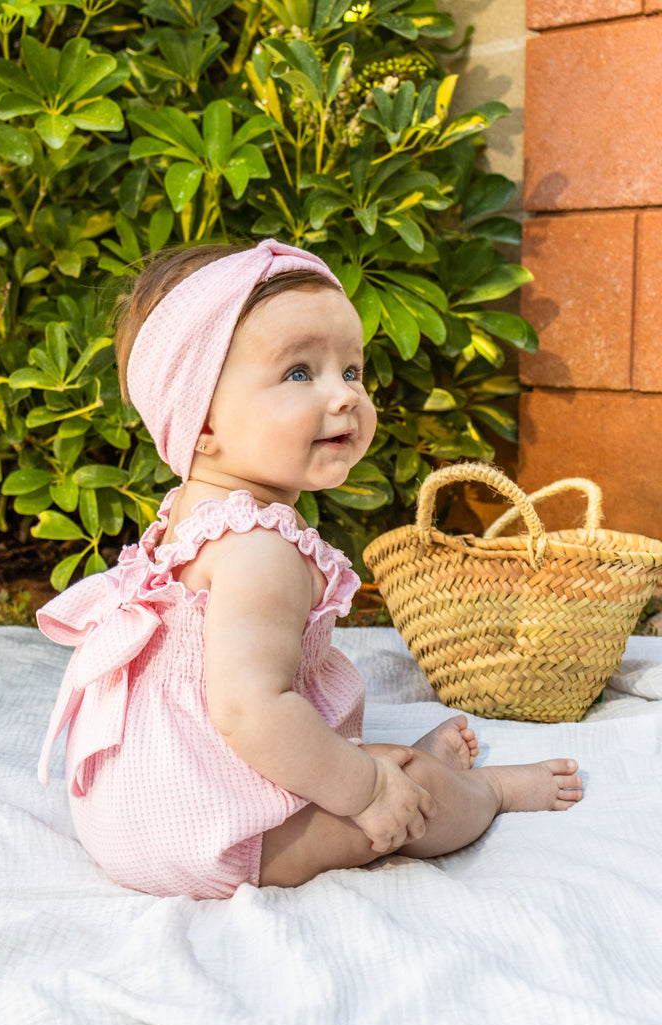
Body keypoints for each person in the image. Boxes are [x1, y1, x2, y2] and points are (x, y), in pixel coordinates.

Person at [36, 238, 583, 901]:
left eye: (350, 371)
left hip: (133, 809)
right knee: (412, 792)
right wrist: (370, 790)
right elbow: (249, 711)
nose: (344, 396)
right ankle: (488, 793)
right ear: (202, 421)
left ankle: (404, 774)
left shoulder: (192, 514)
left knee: (361, 767)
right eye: (300, 373)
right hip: (203, 832)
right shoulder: (258, 551)